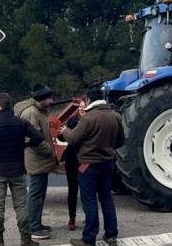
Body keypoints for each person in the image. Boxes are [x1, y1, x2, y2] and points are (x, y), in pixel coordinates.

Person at [0, 93, 48, 246]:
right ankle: (25, 241)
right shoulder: (21, 123)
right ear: (10, 106)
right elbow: (38, 137)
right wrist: (25, 145)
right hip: (18, 170)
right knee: (21, 207)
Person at [61, 88, 125, 246]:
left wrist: (65, 131)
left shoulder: (88, 118)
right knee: (106, 199)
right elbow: (121, 141)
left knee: (89, 201)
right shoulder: (115, 116)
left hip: (88, 165)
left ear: (89, 100)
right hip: (108, 163)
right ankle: (111, 235)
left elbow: (74, 139)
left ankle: (88, 238)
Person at [14, 84, 58, 241]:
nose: (52, 101)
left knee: (39, 194)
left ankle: (36, 223)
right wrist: (49, 151)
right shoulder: (32, 113)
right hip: (37, 160)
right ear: (43, 99)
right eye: (49, 98)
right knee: (35, 195)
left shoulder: (39, 111)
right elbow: (34, 139)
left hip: (40, 161)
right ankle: (33, 227)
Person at [61, 102, 84, 230]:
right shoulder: (72, 120)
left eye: (84, 106)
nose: (81, 108)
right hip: (71, 158)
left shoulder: (91, 120)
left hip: (86, 158)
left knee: (87, 190)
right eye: (80, 106)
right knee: (73, 189)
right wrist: (61, 132)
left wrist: (68, 133)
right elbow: (64, 138)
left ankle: (89, 217)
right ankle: (72, 218)